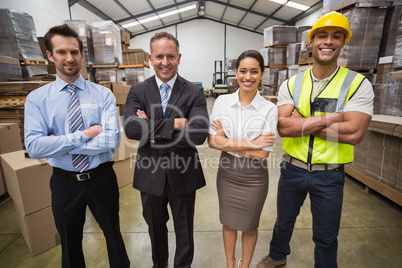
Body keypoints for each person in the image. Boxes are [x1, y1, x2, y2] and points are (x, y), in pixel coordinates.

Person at [256, 11, 374, 268]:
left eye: (336, 36)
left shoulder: (357, 84)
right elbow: (282, 127)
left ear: (343, 42)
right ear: (312, 41)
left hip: (329, 174)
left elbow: (354, 133)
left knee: (326, 235)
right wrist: (331, 118)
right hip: (292, 168)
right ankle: (277, 256)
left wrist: (302, 122)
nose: (328, 41)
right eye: (322, 35)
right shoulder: (292, 84)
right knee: (283, 221)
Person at [24, 24, 130, 268]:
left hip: (102, 179)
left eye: (74, 52)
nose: (69, 58)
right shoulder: (37, 100)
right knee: (70, 243)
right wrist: (85, 134)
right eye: (61, 52)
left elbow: (111, 141)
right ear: (50, 56)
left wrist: (57, 143)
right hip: (64, 182)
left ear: (82, 55)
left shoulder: (102, 95)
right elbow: (35, 147)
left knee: (113, 235)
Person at [122, 31, 209, 268]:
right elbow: (131, 128)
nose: (165, 62)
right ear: (151, 58)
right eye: (159, 56)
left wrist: (150, 129)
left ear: (179, 57)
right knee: (155, 228)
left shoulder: (194, 91)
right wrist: (177, 123)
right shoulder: (137, 91)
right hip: (150, 176)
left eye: (170, 56)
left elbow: (199, 134)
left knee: (184, 230)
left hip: (183, 174)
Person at [208, 50, 278, 268]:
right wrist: (252, 142)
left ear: (262, 74)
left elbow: (262, 154)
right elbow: (212, 142)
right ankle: (231, 264)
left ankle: (244, 265)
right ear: (236, 73)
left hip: (254, 177)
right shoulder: (222, 102)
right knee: (228, 224)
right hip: (227, 173)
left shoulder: (269, 109)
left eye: (254, 72)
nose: (248, 77)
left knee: (249, 226)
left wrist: (227, 142)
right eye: (243, 71)